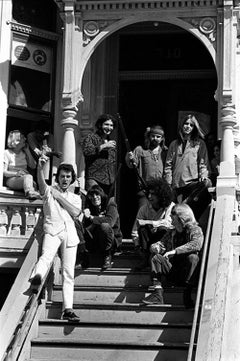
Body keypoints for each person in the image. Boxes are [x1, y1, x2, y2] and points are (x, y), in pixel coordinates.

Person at [30, 159, 82, 322]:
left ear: (71, 178)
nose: (65, 179)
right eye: (62, 176)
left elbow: (75, 212)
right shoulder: (48, 191)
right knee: (46, 257)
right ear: (57, 178)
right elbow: (41, 184)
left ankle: (68, 308)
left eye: (68, 176)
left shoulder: (75, 197)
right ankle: (36, 278)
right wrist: (39, 168)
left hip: (69, 234)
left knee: (68, 272)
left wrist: (60, 197)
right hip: (52, 230)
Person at [141, 203, 203, 309]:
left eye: (173, 214)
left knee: (193, 258)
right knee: (156, 257)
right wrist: (155, 247)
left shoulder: (195, 230)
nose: (170, 217)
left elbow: (196, 245)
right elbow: (161, 243)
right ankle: (158, 294)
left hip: (187, 274)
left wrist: (174, 251)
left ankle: (187, 294)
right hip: (173, 270)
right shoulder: (171, 232)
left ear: (181, 216)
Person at [164, 113, 211, 219]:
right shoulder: (174, 144)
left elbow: (203, 163)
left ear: (194, 128)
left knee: (207, 183)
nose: (188, 126)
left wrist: (203, 174)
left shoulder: (200, 144)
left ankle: (184, 205)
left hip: (191, 183)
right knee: (174, 216)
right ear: (182, 125)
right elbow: (168, 165)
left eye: (191, 125)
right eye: (186, 123)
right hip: (176, 184)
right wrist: (168, 182)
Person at [131, 178, 175, 269]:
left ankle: (158, 257)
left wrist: (150, 222)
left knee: (162, 228)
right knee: (142, 228)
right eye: (149, 193)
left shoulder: (170, 206)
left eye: (153, 194)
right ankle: (145, 258)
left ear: (161, 194)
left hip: (164, 242)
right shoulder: (144, 208)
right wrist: (137, 245)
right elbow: (135, 230)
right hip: (148, 241)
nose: (150, 196)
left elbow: (168, 223)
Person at [125, 125, 168, 208]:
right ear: (149, 136)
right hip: (144, 190)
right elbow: (131, 165)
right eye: (153, 136)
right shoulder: (140, 149)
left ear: (162, 138)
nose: (155, 138)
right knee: (142, 215)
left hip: (159, 190)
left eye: (158, 137)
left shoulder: (165, 151)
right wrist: (129, 158)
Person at [83, 185, 122, 270]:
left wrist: (92, 218)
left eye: (97, 195)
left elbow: (110, 221)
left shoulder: (110, 204)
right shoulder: (89, 207)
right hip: (95, 240)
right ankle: (83, 256)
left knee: (104, 225)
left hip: (111, 240)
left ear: (101, 195)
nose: (95, 197)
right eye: (92, 196)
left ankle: (107, 256)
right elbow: (86, 228)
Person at [82, 114, 117, 196]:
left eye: (111, 125)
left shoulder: (111, 142)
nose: (109, 128)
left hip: (109, 182)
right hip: (94, 179)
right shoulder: (91, 137)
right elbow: (87, 151)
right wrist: (103, 146)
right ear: (100, 125)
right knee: (94, 205)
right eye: (106, 124)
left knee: (110, 206)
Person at [3, 130, 40, 199]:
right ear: (16, 140)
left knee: (30, 179)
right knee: (28, 177)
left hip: (24, 179)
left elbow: (33, 166)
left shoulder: (24, 153)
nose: (25, 139)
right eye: (22, 137)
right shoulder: (7, 153)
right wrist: (16, 174)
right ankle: (30, 193)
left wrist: (27, 151)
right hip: (11, 179)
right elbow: (4, 172)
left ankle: (31, 191)